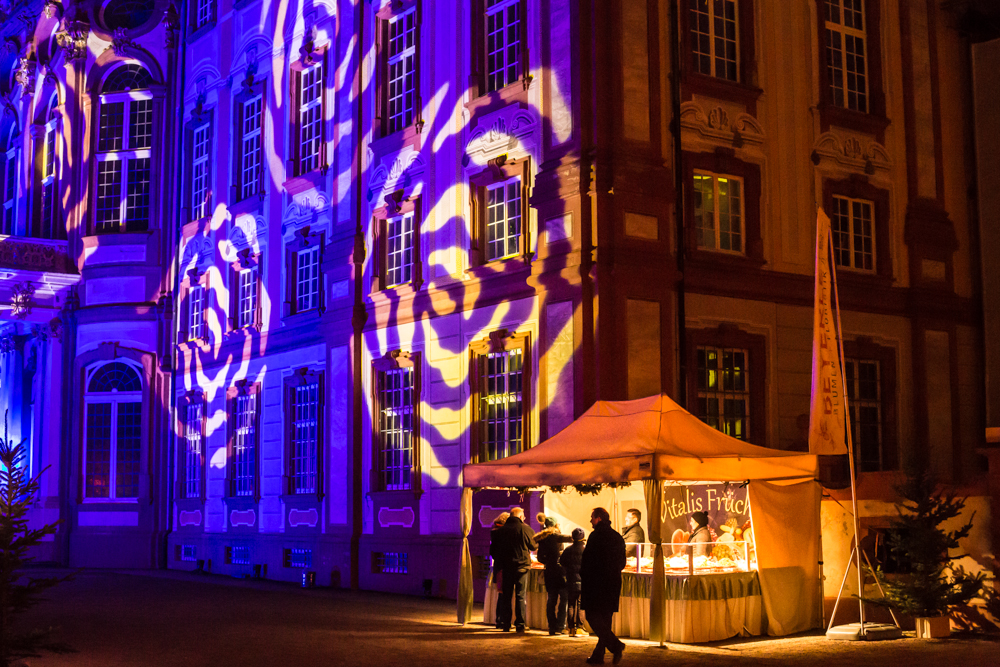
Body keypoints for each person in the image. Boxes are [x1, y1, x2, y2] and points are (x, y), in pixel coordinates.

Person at [580, 507, 627, 665]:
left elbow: (587, 561)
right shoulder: (617, 537)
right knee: (606, 619)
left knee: (592, 616)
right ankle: (598, 655)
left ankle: (615, 645)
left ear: (599, 518)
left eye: (592, 517)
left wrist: (585, 576)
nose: (591, 521)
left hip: (596, 584)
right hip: (613, 582)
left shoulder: (596, 536)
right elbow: (622, 563)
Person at [492, 507, 536, 633]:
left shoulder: (501, 531)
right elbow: (533, 545)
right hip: (522, 567)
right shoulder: (526, 529)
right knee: (520, 596)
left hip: (506, 568)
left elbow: (493, 551)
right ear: (520, 517)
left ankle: (506, 624)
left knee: (507, 596)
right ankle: (520, 624)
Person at [534, 514, 573, 635]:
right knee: (564, 599)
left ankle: (552, 626)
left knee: (551, 600)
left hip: (549, 571)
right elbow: (571, 538)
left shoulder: (542, 538)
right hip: (560, 572)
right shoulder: (556, 536)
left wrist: (549, 562)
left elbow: (540, 557)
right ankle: (560, 626)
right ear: (556, 525)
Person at [559, 527, 586, 637]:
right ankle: (580, 628)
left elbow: (562, 562)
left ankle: (570, 628)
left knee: (570, 604)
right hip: (583, 581)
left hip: (570, 580)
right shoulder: (586, 549)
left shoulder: (568, 550)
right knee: (581, 604)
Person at [488, 511, 510, 629]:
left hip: (498, 566)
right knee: (504, 594)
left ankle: (499, 619)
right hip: (504, 566)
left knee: (501, 594)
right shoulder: (503, 534)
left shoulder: (494, 532)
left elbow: (492, 552)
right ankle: (501, 619)